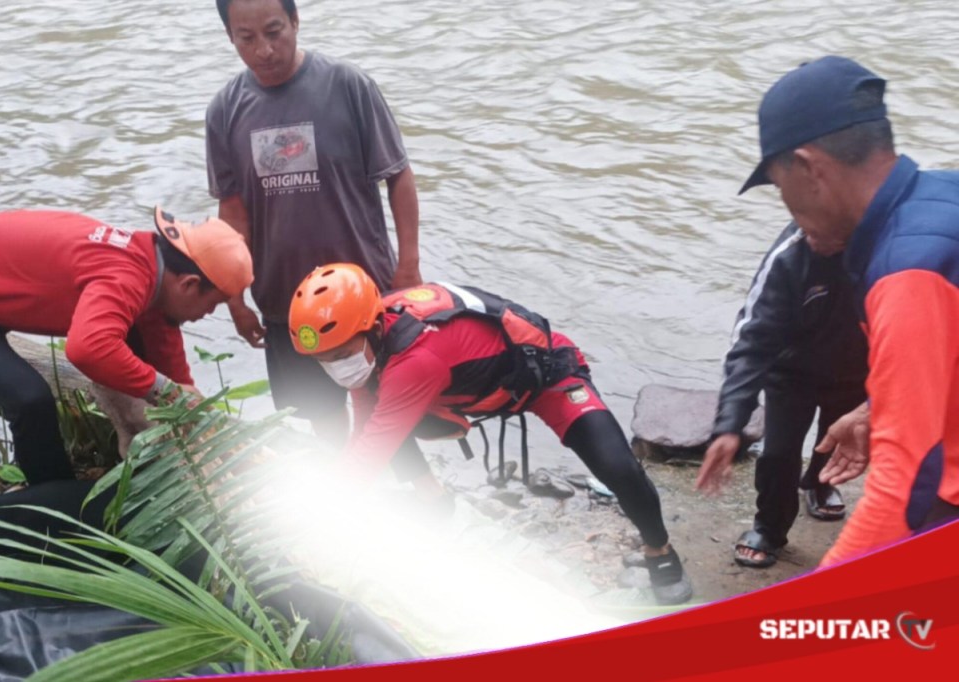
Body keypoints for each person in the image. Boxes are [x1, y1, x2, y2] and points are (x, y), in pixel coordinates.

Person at [286, 263, 693, 605]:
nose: (337, 366)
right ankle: (434, 501)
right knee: (382, 419)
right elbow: (368, 431)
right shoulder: (371, 349)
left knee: (617, 466)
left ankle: (659, 550)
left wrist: (310, 519)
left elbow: (368, 456)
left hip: (545, 376)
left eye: (341, 355)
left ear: (374, 327)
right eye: (323, 360)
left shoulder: (415, 359)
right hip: (469, 393)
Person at [736, 55, 959, 567]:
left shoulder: (907, 271)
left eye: (779, 185)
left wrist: (814, 615)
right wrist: (875, 410)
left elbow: (904, 482)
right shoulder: (943, 198)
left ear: (810, 168)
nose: (786, 208)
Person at [207, 0, 422, 444]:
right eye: (247, 39)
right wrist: (235, 297)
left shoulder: (348, 86)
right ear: (230, 37)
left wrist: (409, 266)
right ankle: (340, 488)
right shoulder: (225, 111)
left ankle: (400, 492)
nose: (264, 50)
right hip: (283, 303)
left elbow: (397, 174)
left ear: (295, 21)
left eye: (274, 32)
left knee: (384, 410)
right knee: (320, 417)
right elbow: (232, 214)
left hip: (364, 293)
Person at [0, 207, 253, 486]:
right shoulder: (126, 275)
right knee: (30, 400)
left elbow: (173, 372)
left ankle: (138, 463)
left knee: (139, 359)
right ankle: (52, 511)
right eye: (213, 305)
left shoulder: (152, 272)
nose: (206, 316)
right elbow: (87, 348)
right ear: (188, 285)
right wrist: (166, 390)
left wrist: (205, 423)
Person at [696, 221, 868, 567]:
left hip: (857, 368)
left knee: (835, 439)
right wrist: (730, 425)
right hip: (791, 372)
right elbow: (751, 342)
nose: (811, 232)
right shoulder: (790, 256)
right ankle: (770, 527)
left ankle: (817, 485)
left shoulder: (886, 244)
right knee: (777, 452)